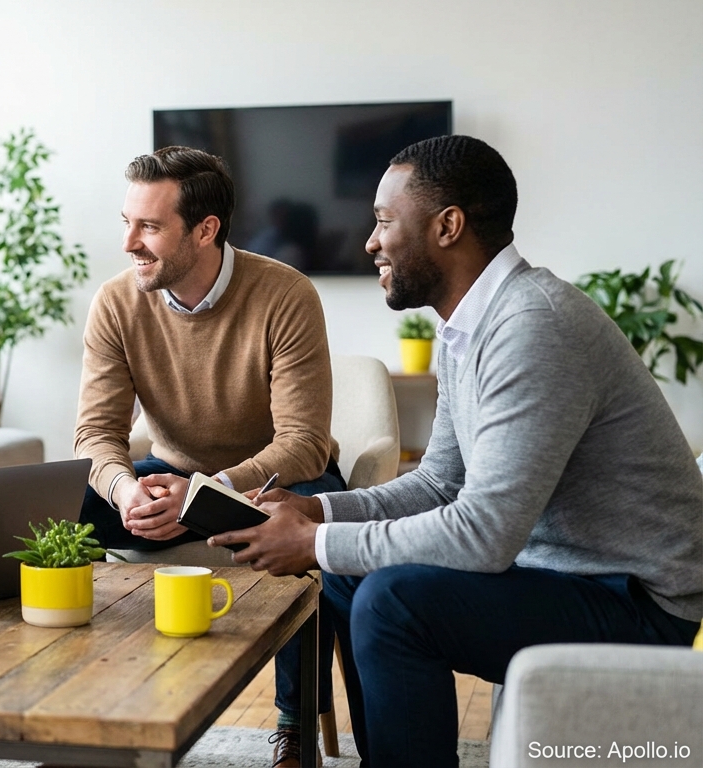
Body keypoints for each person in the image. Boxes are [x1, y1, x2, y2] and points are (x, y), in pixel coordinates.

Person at [216, 135, 703, 767]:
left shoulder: (534, 326)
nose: (369, 241)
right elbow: (441, 483)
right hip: (569, 574)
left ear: (448, 226)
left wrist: (313, 544)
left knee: (393, 602)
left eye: (384, 221)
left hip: (639, 602)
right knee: (346, 578)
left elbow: (486, 533)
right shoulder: (466, 330)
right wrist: (321, 516)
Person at [73, 146, 344, 767]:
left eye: (148, 227)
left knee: (297, 526)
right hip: (167, 479)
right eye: (127, 222)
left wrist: (206, 495)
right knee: (76, 500)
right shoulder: (117, 302)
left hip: (274, 481)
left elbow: (302, 440)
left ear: (205, 229)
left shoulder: (285, 293)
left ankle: (292, 725)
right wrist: (126, 491)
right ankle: (98, 706)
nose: (129, 243)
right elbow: (95, 436)